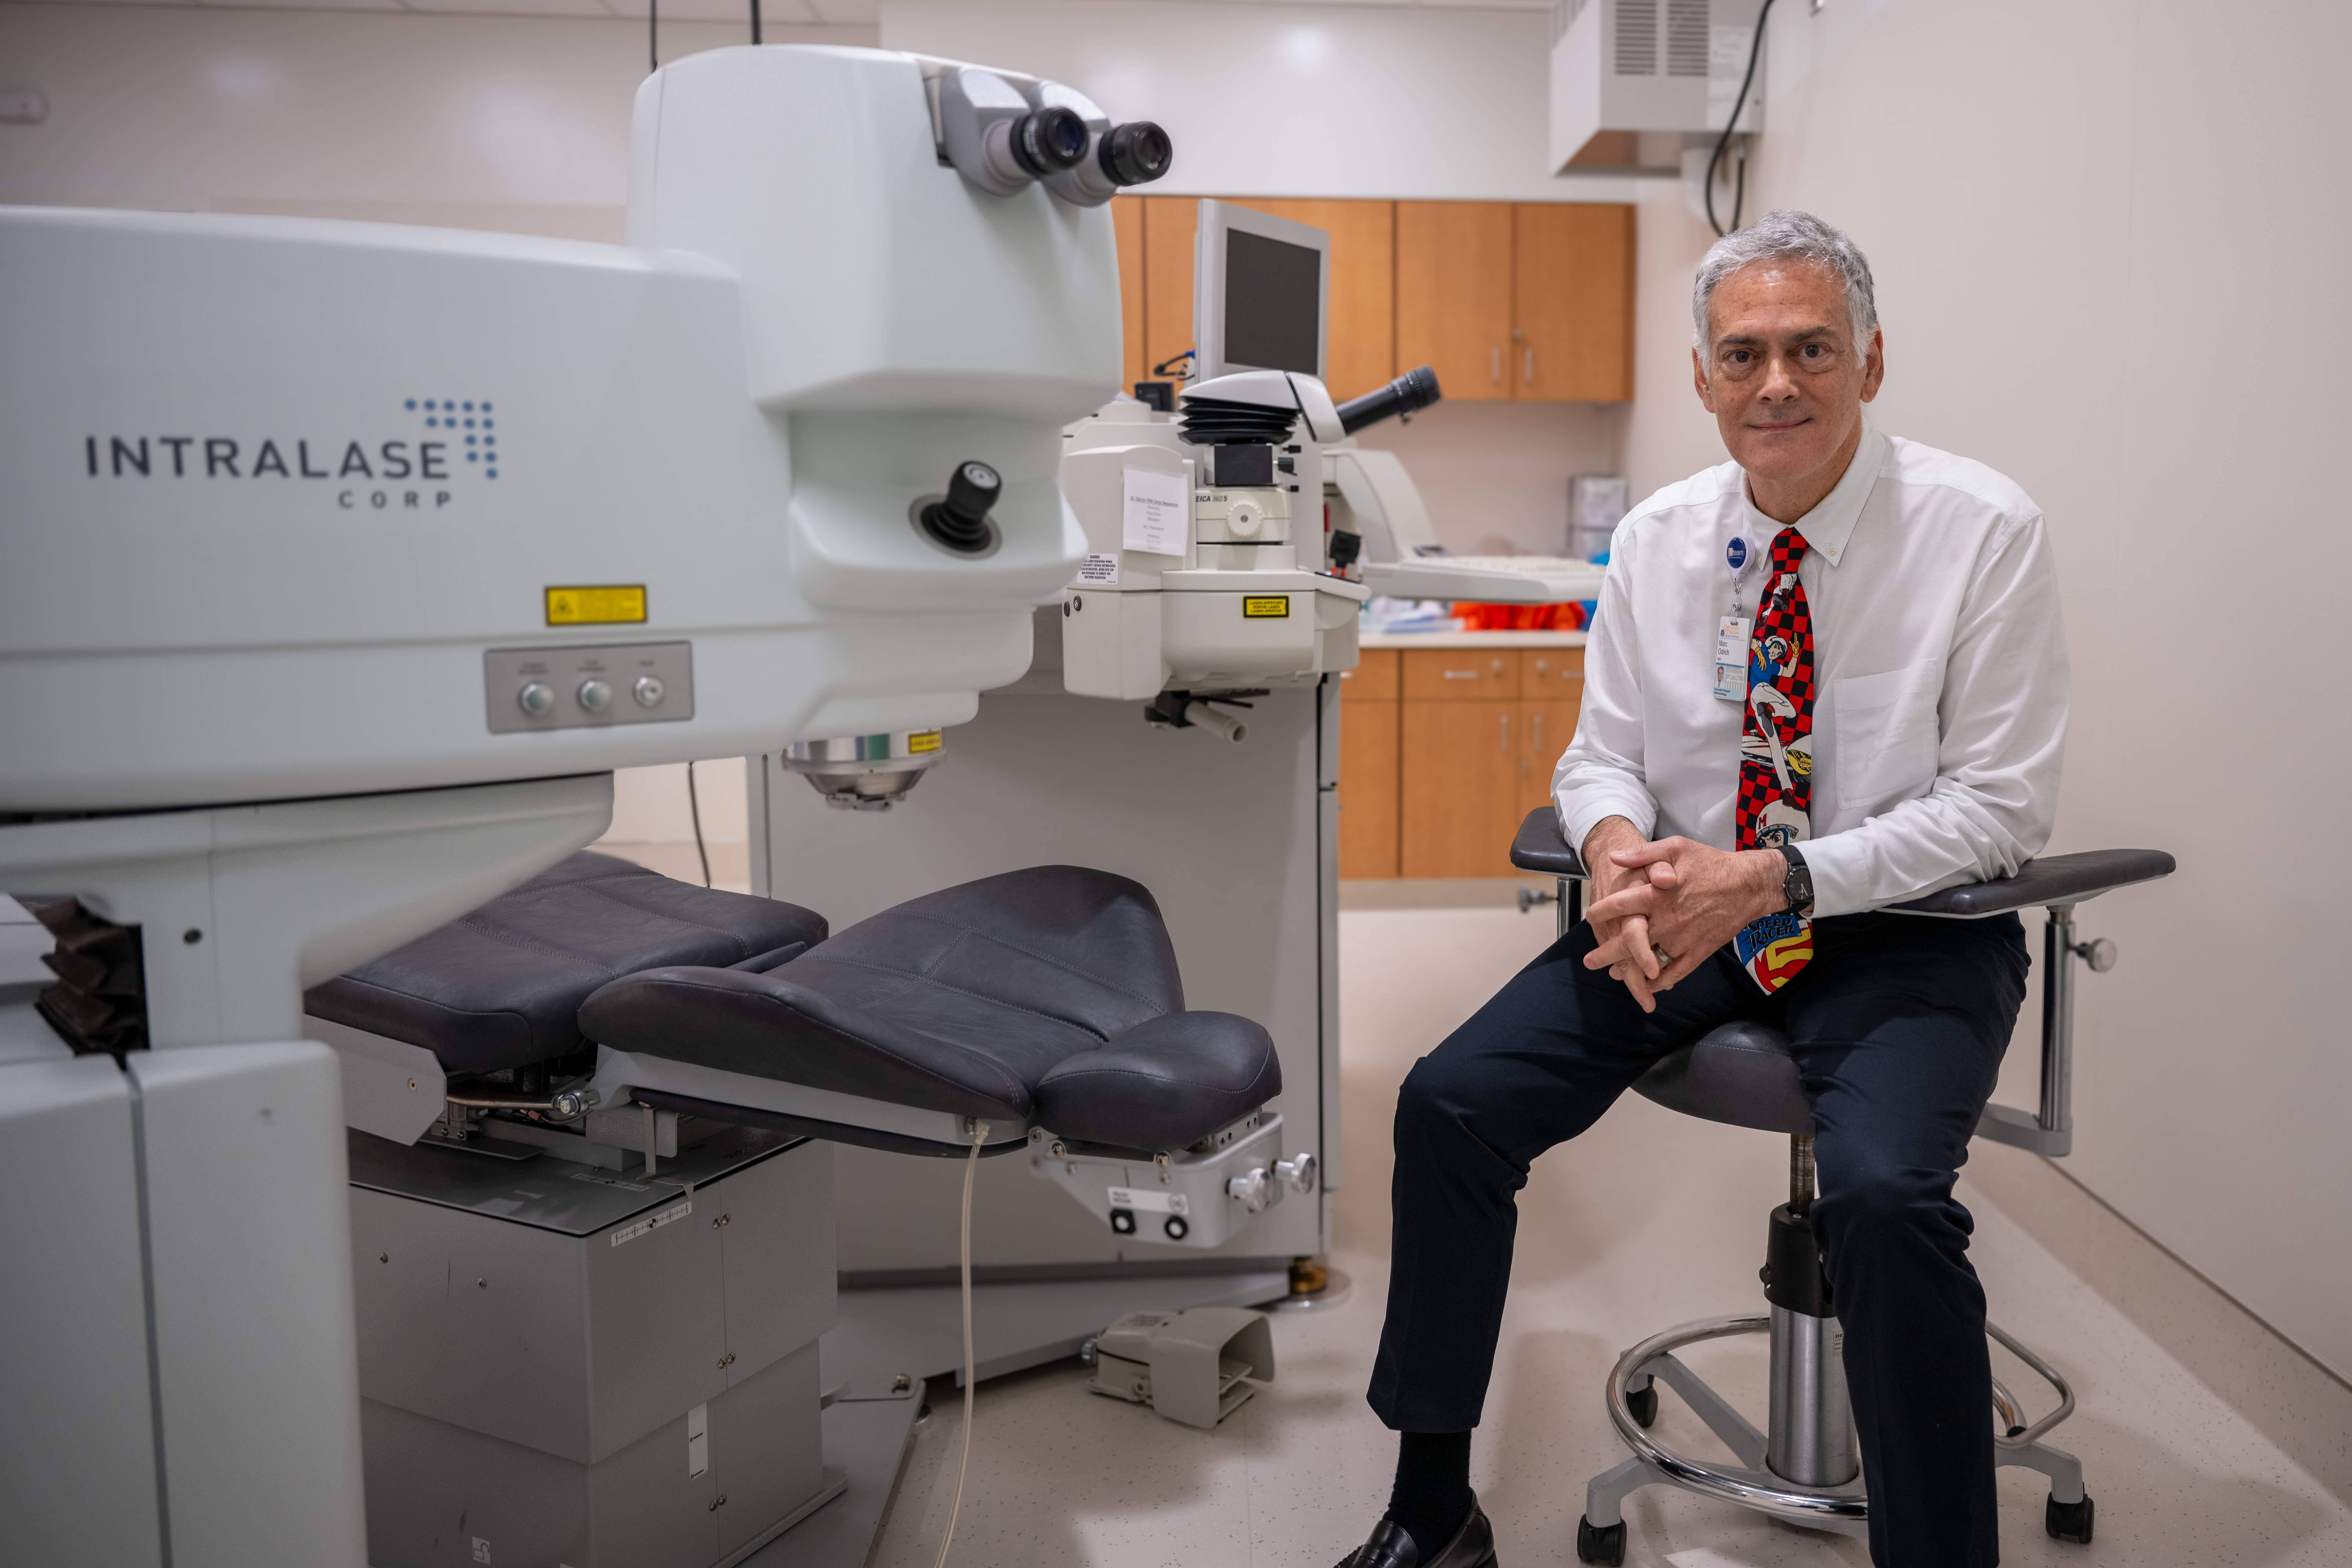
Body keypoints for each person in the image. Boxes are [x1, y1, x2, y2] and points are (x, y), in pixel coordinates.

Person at [1334, 210, 2068, 1568]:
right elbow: (1601, 752)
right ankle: (1433, 1506)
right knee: (1449, 1106)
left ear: (1870, 361)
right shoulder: (1661, 537)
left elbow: (1998, 810)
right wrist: (1613, 847)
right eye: (1743, 354)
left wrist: (1776, 873)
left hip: (1907, 933)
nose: (1775, 382)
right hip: (1691, 914)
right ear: (1702, 376)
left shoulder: (1980, 530)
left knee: (1888, 1201)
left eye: (1809, 349)